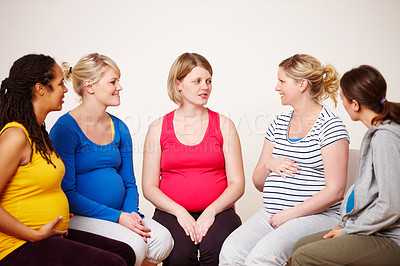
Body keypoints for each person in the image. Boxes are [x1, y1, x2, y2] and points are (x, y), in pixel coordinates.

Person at [0, 54, 136, 266]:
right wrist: (33, 234)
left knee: (125, 252)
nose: (66, 89)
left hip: (51, 235)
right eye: (60, 83)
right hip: (18, 244)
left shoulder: (38, 134)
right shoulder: (16, 135)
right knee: (112, 263)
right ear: (40, 88)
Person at [219, 54, 350, 265]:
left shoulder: (331, 127)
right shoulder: (278, 123)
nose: (276, 87)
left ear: (302, 85)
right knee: (231, 251)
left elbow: (336, 191)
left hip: (315, 216)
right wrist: (269, 164)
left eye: (282, 81)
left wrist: (292, 213)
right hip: (272, 213)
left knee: (263, 257)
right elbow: (258, 182)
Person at [49, 53, 173, 266]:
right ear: (90, 86)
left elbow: (129, 182)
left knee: (163, 240)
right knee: (136, 245)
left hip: (122, 214)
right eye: (113, 82)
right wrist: (117, 218)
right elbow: (67, 193)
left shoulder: (120, 127)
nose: (120, 87)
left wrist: (130, 214)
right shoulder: (65, 129)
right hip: (82, 217)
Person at [142, 52, 245, 265]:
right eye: (197, 81)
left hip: (219, 211)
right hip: (171, 211)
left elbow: (237, 184)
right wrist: (180, 212)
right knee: (179, 255)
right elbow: (149, 186)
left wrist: (211, 211)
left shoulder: (225, 125)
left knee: (216, 251)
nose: (205, 87)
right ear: (178, 84)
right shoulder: (158, 128)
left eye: (208, 81)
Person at [291, 65, 400, 265]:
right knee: (299, 245)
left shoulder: (385, 138)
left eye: (342, 99)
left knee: (303, 256)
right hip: (375, 230)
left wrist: (348, 230)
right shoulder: (379, 131)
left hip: (391, 237)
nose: (341, 104)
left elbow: (391, 205)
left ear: (355, 104)